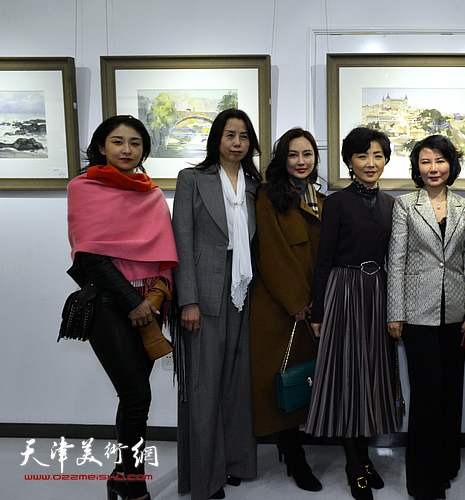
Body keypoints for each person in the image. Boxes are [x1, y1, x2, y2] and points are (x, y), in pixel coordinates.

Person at [66, 115, 178, 500]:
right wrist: (136, 304)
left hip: (151, 302)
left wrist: (155, 297)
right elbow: (91, 257)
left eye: (135, 143)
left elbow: (167, 254)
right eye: (118, 142)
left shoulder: (151, 193)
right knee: (137, 397)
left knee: (133, 397)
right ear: (101, 146)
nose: (127, 150)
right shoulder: (84, 188)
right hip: (112, 305)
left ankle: (120, 475)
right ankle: (133, 486)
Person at [386, 135, 465, 500]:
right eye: (425, 162)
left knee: (451, 392)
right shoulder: (405, 206)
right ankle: (423, 481)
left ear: (451, 165)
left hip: (457, 313)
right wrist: (394, 312)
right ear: (417, 167)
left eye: (440, 161)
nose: (433, 168)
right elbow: (395, 261)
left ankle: (446, 464)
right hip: (416, 313)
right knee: (427, 394)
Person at [306, 127, 399, 500]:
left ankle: (364, 458)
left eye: (377, 155)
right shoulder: (337, 202)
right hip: (344, 293)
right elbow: (323, 259)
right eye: (362, 156)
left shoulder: (393, 203)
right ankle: (354, 464)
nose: (371, 163)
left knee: (374, 378)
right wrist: (319, 310)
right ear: (349, 161)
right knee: (349, 379)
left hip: (379, 294)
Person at [173, 108, 260, 500]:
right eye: (230, 135)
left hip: (244, 288)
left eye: (243, 136)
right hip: (204, 289)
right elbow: (182, 241)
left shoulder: (256, 185)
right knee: (204, 385)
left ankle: (235, 463)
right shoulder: (193, 179)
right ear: (216, 139)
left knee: (236, 381)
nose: (237, 143)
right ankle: (205, 478)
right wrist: (187, 299)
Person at [249, 127, 325, 492]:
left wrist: (318, 303)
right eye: (293, 155)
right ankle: (293, 455)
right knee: (279, 381)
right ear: (282, 159)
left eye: (307, 154)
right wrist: (297, 303)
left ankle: (293, 447)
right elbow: (271, 254)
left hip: (312, 306)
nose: (300, 161)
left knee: (302, 379)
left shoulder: (319, 199)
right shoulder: (268, 197)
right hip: (279, 307)